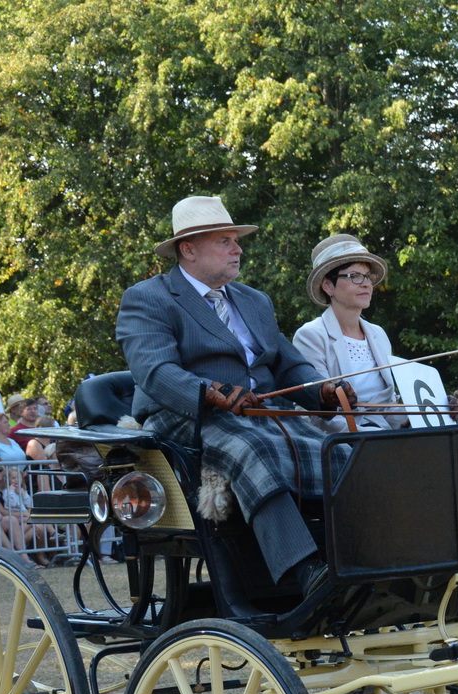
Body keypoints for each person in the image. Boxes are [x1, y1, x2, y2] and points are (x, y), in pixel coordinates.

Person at [116, 195, 348, 595]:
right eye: (225, 240)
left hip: (261, 413)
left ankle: (353, 557)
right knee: (253, 447)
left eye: (236, 240)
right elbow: (155, 373)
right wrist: (213, 392)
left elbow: (289, 366)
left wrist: (322, 391)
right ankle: (304, 571)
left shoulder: (255, 300)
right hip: (186, 415)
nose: (237, 248)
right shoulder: (148, 298)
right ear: (188, 249)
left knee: (342, 449)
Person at [291, 234, 408, 431]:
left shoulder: (378, 335)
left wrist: (423, 415)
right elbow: (318, 414)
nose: (366, 284)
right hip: (342, 442)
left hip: (385, 439)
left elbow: (386, 407)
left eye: (368, 276)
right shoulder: (310, 336)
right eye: (354, 276)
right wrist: (368, 437)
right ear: (328, 285)